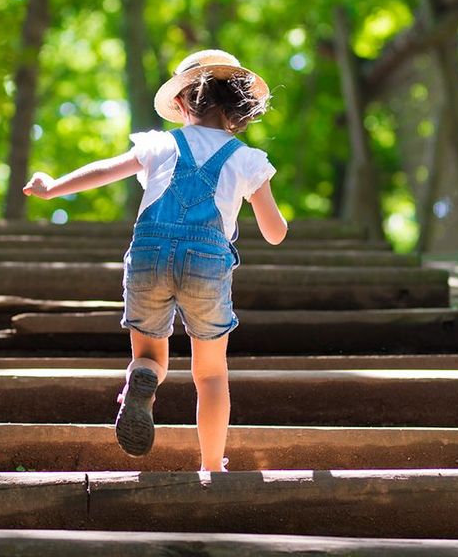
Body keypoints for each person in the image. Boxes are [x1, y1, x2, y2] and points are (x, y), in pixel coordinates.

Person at [23, 49, 287, 472]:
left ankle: (143, 378)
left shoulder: (160, 143)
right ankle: (212, 466)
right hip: (206, 263)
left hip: (149, 254)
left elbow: (105, 169)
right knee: (211, 374)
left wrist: (53, 188)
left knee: (149, 354)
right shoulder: (247, 160)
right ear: (238, 111)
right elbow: (275, 234)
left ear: (181, 105)